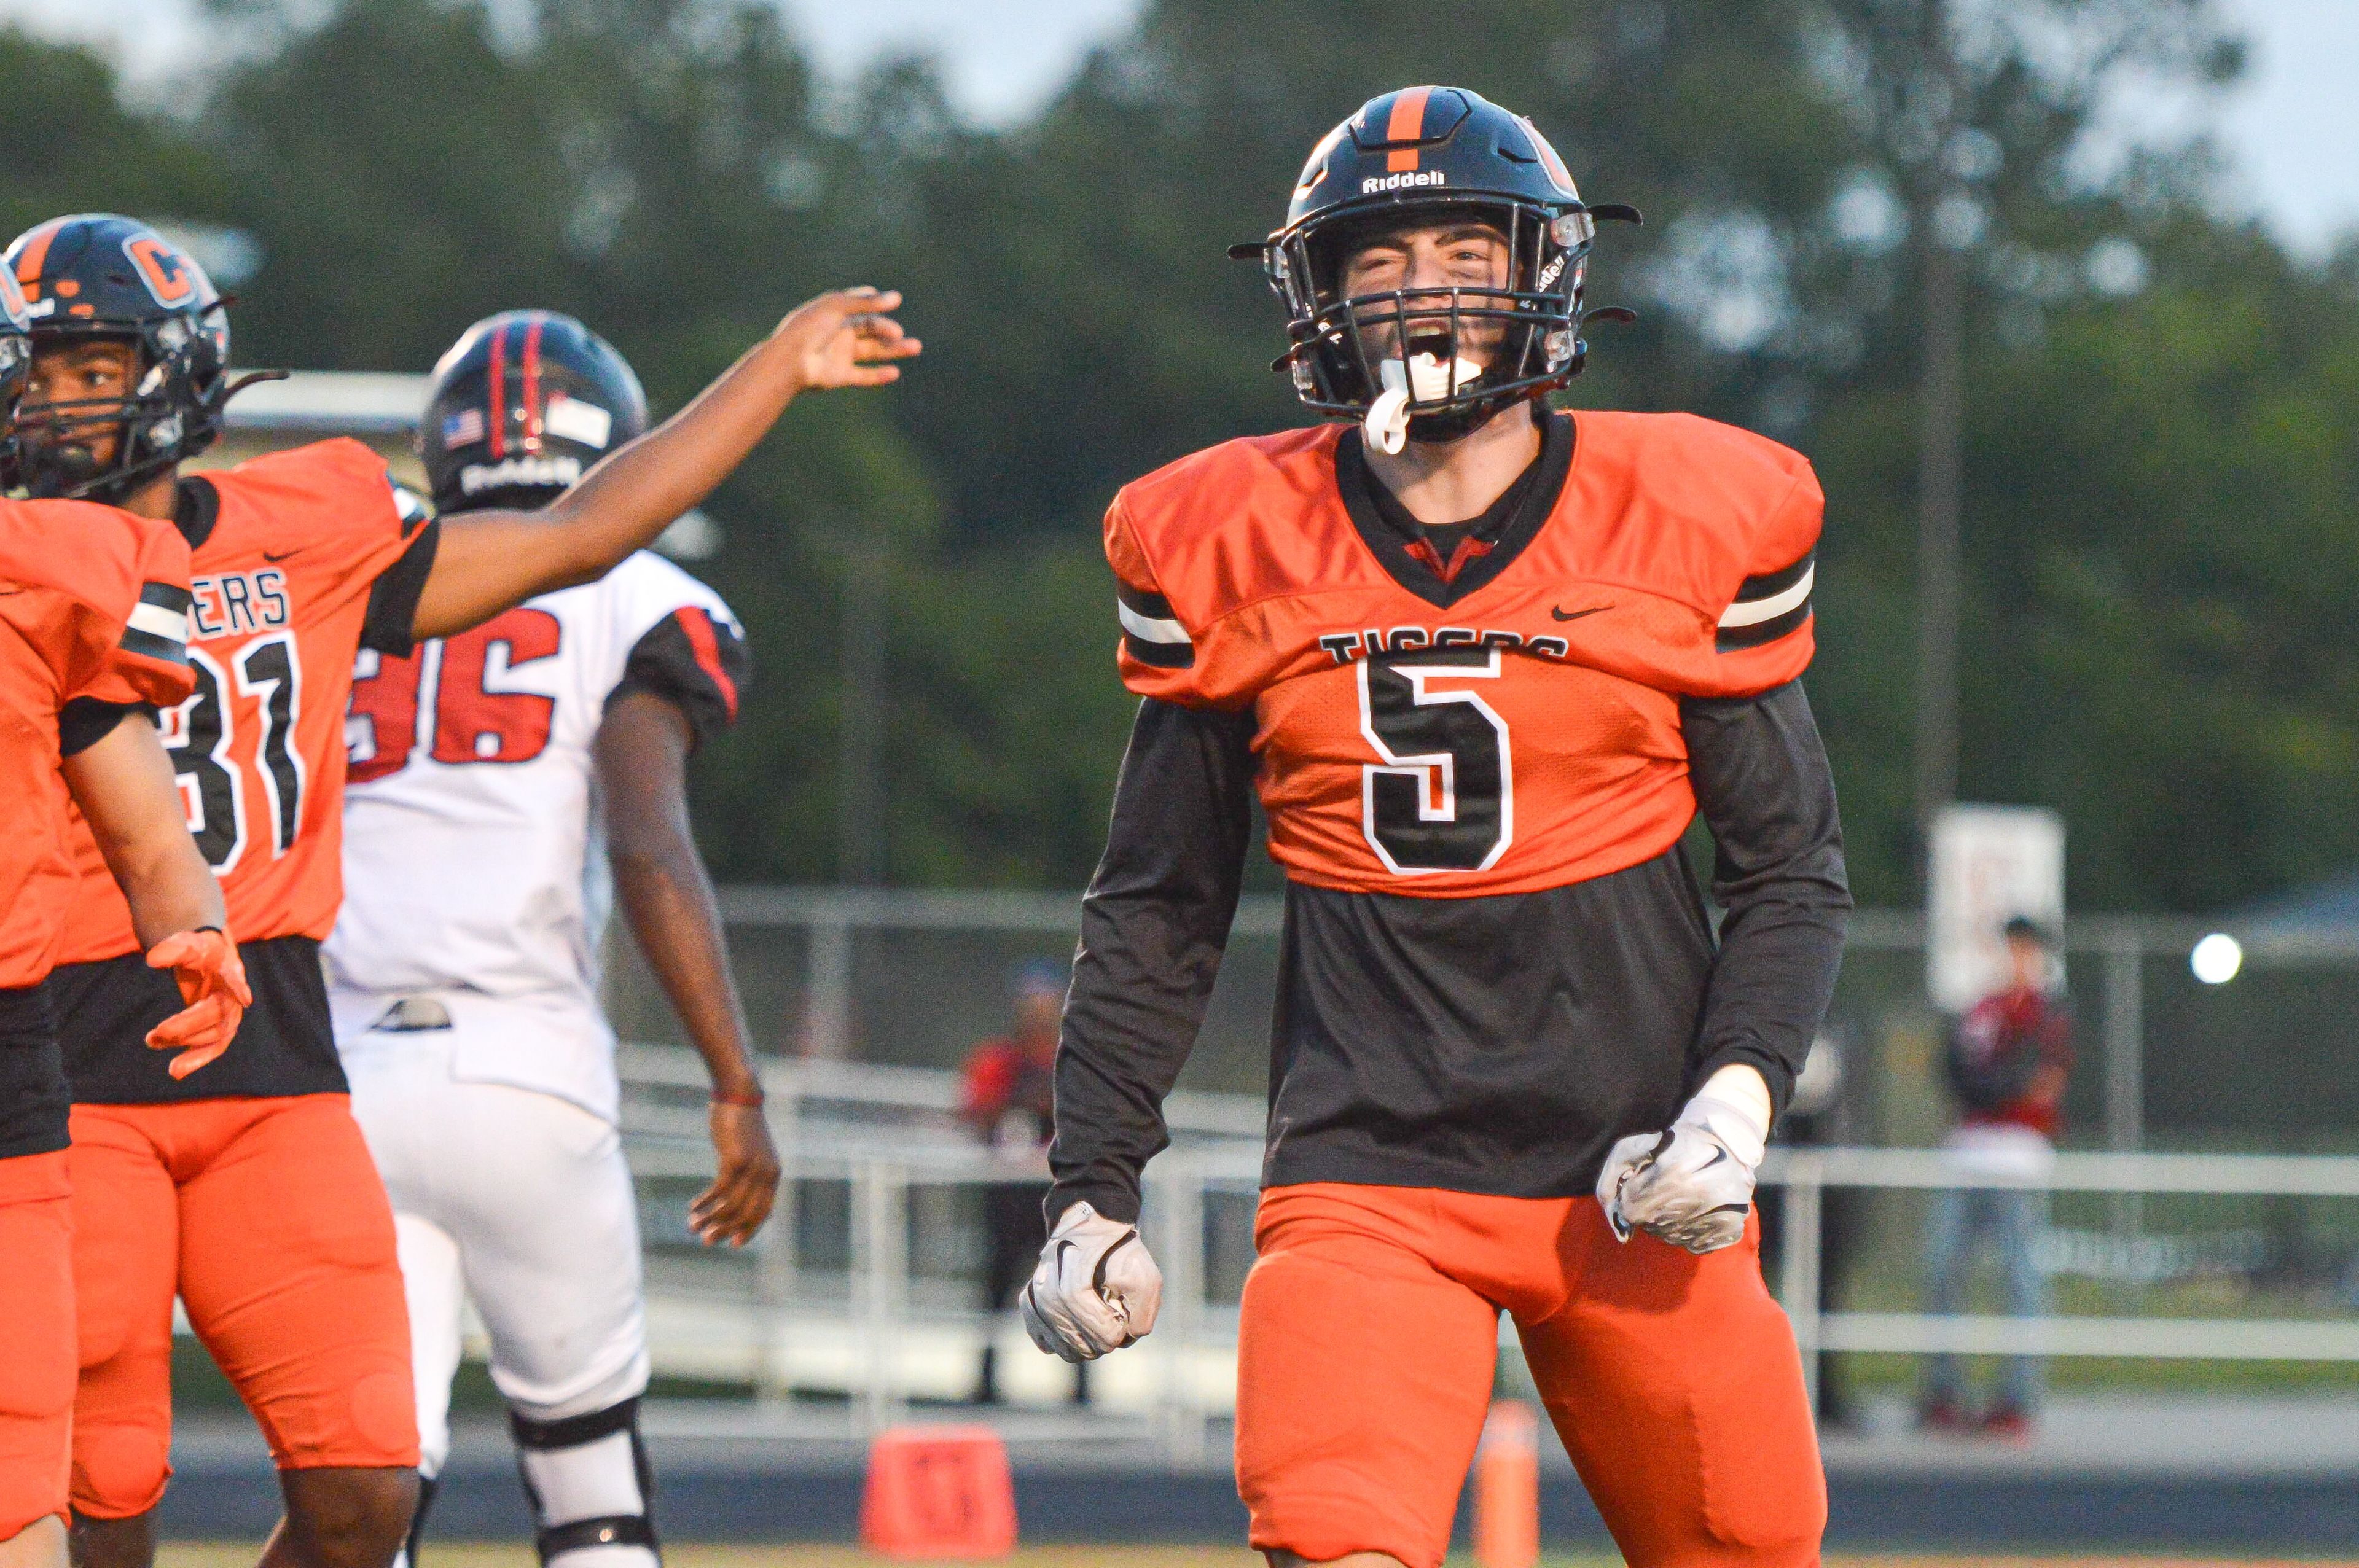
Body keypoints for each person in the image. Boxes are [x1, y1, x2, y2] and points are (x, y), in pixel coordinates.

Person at [6, 212, 916, 1568]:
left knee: (369, 1489)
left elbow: (580, 531)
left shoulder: (308, 521)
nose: (51, 400)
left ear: (178, 372)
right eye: (34, 369)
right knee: (102, 1499)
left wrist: (775, 367)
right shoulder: (19, 563)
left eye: (89, 367)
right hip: (69, 1072)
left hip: (278, 1062)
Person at [1019, 86, 1850, 1568]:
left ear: (1541, 270)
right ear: (1316, 296)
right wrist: (1089, 1183)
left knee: (1747, 1538)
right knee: (1330, 1534)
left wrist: (1732, 1109)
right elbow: (1156, 901)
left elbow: (1788, 868)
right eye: (1378, 263)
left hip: (1633, 1170)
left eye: (1462, 248)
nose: (1422, 295)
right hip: (1370, 1168)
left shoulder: (1680, 515)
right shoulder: (1233, 540)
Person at [324, 311, 780, 1568]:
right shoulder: (635, 592)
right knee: (591, 1498)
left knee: (369, 1511)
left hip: (338, 1080)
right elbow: (646, 845)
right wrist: (735, 1081)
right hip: (527, 1069)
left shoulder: (346, 581)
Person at [0, 271, 249, 1568]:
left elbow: (151, 829)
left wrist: (193, 926)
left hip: (6, 1056)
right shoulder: (51, 569)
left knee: (20, 1469)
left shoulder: (47, 575)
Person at [1918, 915, 2072, 1440]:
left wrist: (1999, 1090)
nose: (2015, 959)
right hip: (1968, 1149)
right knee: (1942, 1271)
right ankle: (1943, 1392)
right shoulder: (1980, 1008)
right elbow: (1957, 1070)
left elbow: (2038, 1080)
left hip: (2017, 1154)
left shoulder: (2045, 1013)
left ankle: (2017, 1399)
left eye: (2024, 950)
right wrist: (1992, 1090)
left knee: (2020, 1280)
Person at [955, 960, 1077, 1406]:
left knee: (1070, 1284)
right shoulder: (999, 1060)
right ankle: (986, 1382)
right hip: (1006, 1189)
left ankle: (1080, 1390)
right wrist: (1018, 1101)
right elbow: (976, 1111)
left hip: (1056, 1190)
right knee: (998, 1285)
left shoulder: (1072, 1060)